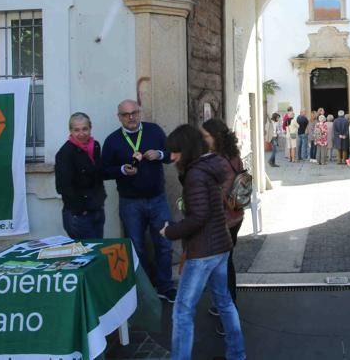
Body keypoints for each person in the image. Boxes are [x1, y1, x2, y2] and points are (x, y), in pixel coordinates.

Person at [160, 125, 246, 360]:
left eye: (175, 152)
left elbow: (198, 217)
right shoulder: (208, 168)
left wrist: (171, 232)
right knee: (225, 303)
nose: (171, 157)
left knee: (182, 311)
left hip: (203, 251)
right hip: (220, 245)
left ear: (185, 149)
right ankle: (237, 354)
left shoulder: (196, 175)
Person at [101, 99, 177, 303]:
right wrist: (121, 170)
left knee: (164, 244)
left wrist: (160, 154)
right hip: (130, 203)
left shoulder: (154, 131)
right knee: (136, 247)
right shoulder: (112, 140)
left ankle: (165, 287)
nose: (131, 117)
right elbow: (103, 170)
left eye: (134, 112)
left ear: (140, 113)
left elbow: (172, 155)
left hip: (157, 199)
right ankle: (142, 289)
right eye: (125, 115)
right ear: (119, 117)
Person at [200, 118, 246, 335]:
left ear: (215, 137)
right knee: (224, 265)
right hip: (235, 217)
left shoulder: (217, 161)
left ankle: (229, 314)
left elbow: (218, 195)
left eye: (205, 135)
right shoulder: (233, 156)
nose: (202, 139)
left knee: (223, 269)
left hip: (222, 222)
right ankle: (222, 306)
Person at [54, 112, 106, 239]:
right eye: (76, 130)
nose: (81, 134)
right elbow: (63, 187)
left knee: (98, 250)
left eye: (85, 129)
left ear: (90, 128)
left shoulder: (96, 146)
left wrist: (101, 199)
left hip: (97, 209)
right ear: (70, 131)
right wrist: (81, 210)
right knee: (87, 255)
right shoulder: (65, 153)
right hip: (79, 215)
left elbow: (98, 176)